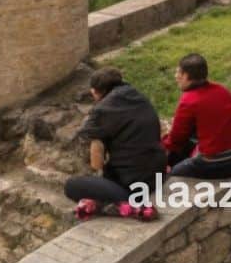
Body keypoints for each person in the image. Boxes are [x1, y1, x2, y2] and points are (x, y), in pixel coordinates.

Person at [65, 67, 165, 220]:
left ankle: (131, 206)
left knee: (72, 186)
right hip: (157, 174)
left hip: (133, 183)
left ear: (95, 91)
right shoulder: (139, 98)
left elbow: (94, 149)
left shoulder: (103, 109)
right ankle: (101, 203)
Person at [160, 53, 231, 179]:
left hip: (220, 163)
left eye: (179, 73)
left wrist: (159, 147)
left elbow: (176, 140)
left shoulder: (189, 101)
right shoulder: (221, 90)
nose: (176, 76)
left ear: (187, 76)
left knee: (172, 174)